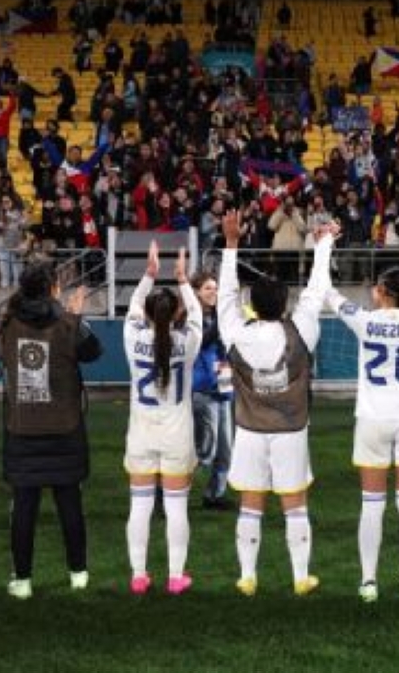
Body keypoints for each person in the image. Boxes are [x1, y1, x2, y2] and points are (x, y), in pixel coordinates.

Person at [218, 210, 335, 597]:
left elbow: (225, 297)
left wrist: (232, 246)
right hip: (290, 431)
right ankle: (301, 576)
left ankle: (247, 576)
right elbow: (317, 290)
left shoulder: (236, 333)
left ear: (253, 302)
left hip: (251, 429)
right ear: (285, 302)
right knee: (294, 502)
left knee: (250, 503)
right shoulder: (300, 329)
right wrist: (323, 244)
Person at [0, 263, 102, 599]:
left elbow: (0, 354)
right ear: (54, 288)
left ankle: (23, 580)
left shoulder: (6, 323)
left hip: (23, 428)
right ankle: (78, 573)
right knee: (69, 503)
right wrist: (75, 315)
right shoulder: (67, 323)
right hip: (64, 427)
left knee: (24, 507)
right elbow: (94, 351)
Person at [327, 267, 399, 602]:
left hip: (373, 420)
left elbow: (330, 296)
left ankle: (369, 581)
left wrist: (324, 249)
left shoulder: (365, 320)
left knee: (372, 506)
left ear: (384, 291)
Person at [123, 241, 202, 596]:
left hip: (140, 435)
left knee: (140, 506)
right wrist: (183, 279)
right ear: (175, 315)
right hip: (176, 436)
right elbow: (198, 316)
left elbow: (134, 307)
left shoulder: (132, 335)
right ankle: (174, 576)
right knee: (176, 507)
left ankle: (139, 576)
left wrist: (148, 274)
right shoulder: (186, 341)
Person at [190, 270, 234, 510]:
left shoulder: (223, 317)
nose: (213, 292)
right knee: (205, 449)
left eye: (215, 288)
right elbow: (201, 342)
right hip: (202, 389)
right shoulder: (189, 316)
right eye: (207, 288)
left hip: (224, 388)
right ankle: (170, 491)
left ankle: (215, 494)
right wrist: (222, 322)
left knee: (226, 449)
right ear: (196, 291)